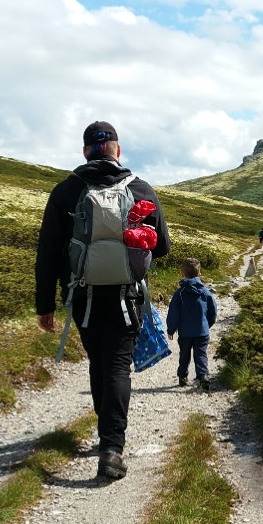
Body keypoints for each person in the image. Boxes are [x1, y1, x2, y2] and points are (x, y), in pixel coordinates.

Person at [35, 121, 171, 480]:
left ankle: (105, 436)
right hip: (129, 297)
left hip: (83, 297)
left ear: (85, 152)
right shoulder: (140, 188)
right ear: (117, 149)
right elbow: (164, 247)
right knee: (117, 365)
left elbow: (48, 252)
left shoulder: (66, 191)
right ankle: (112, 448)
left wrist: (44, 305)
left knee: (99, 361)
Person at [166, 257, 218, 390]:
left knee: (184, 354)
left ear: (182, 274)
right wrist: (207, 325)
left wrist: (171, 329)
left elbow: (174, 313)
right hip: (202, 331)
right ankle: (203, 376)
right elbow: (213, 311)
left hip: (185, 332)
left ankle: (183, 377)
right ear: (199, 274)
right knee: (201, 354)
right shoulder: (205, 292)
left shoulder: (180, 294)